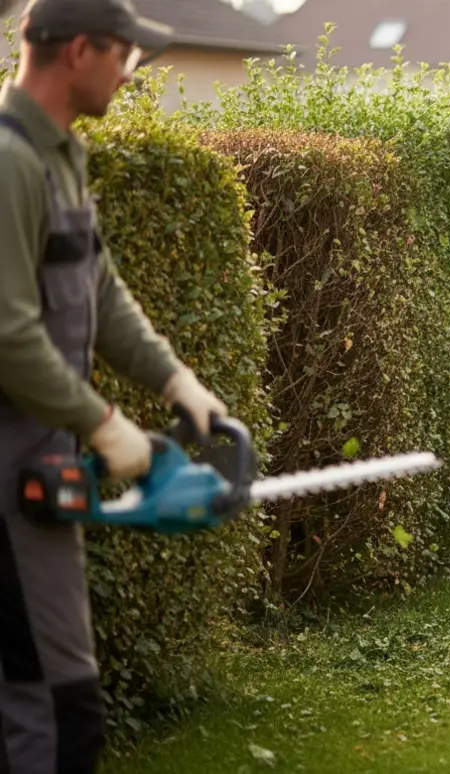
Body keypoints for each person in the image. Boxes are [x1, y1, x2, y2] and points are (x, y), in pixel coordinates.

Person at [0, 0, 230, 769]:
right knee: (54, 716)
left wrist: (174, 379)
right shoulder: (8, 162)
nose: (131, 75)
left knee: (47, 704)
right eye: (125, 55)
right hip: (6, 482)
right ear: (78, 51)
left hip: (37, 462)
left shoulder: (60, 155)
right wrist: (106, 425)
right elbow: (7, 333)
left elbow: (97, 286)